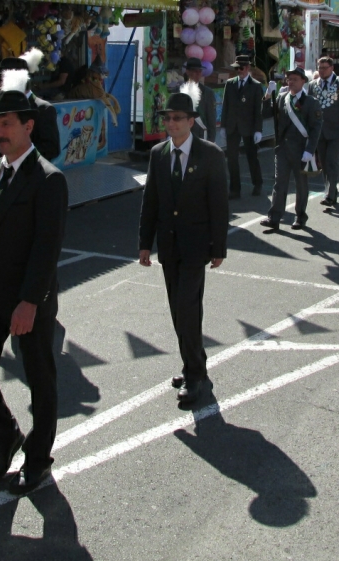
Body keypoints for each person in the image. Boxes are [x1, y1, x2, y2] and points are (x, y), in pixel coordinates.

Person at [0, 69, 68, 496]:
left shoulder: (48, 179)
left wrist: (30, 301)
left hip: (27, 301)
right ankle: (5, 436)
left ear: (28, 126)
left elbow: (46, 249)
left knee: (40, 381)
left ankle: (38, 459)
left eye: (7, 124)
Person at [138, 91, 228, 403]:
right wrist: (144, 243)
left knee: (188, 309)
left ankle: (195, 375)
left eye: (178, 118)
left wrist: (219, 247)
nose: (171, 123)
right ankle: (193, 362)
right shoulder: (159, 154)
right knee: (178, 310)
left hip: (196, 246)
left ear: (191, 121)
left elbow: (219, 203)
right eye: (167, 118)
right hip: (168, 245)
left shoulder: (210, 153)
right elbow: (151, 200)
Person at [260, 67, 323, 231]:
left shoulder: (311, 102)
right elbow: (266, 113)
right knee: (279, 184)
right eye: (289, 79)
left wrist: (310, 150)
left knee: (301, 185)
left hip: (301, 150)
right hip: (283, 149)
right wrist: (267, 96)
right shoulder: (282, 98)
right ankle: (274, 217)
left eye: (295, 79)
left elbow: (315, 128)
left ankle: (300, 216)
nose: (291, 82)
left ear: (303, 81)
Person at [0, 48, 60, 164]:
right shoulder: (0, 107)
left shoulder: (44, 109)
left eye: (1, 79)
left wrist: (17, 160)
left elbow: (51, 149)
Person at [307, 56, 339, 208]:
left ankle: (330, 195)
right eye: (319, 68)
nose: (321, 71)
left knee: (332, 162)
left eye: (324, 68)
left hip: (337, 131)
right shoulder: (313, 85)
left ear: (332, 68)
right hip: (319, 131)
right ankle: (330, 190)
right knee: (324, 163)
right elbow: (309, 108)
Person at [220, 55, 264, 198]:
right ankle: (235, 189)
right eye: (237, 68)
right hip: (232, 125)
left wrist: (258, 130)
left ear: (248, 68)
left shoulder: (256, 86)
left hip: (249, 127)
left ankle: (257, 183)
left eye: (241, 68)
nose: (239, 70)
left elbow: (258, 110)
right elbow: (225, 106)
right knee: (232, 159)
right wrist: (223, 126)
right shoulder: (230, 83)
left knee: (252, 157)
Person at [183, 57, 217, 142]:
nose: (198, 74)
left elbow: (211, 119)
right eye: (195, 71)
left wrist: (211, 141)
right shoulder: (178, 91)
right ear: (187, 72)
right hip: (183, 136)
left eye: (200, 71)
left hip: (200, 137)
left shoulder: (207, 93)